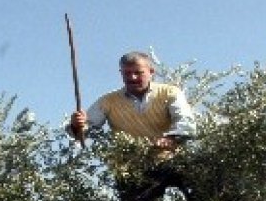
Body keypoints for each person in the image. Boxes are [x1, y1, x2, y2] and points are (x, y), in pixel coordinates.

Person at [66, 51, 196, 149]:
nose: (132, 78)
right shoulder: (108, 101)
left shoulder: (170, 93)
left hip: (169, 166)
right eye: (127, 73)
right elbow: (84, 130)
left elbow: (186, 123)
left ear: (151, 72)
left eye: (138, 73)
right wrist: (77, 126)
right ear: (121, 73)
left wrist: (171, 139)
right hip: (129, 172)